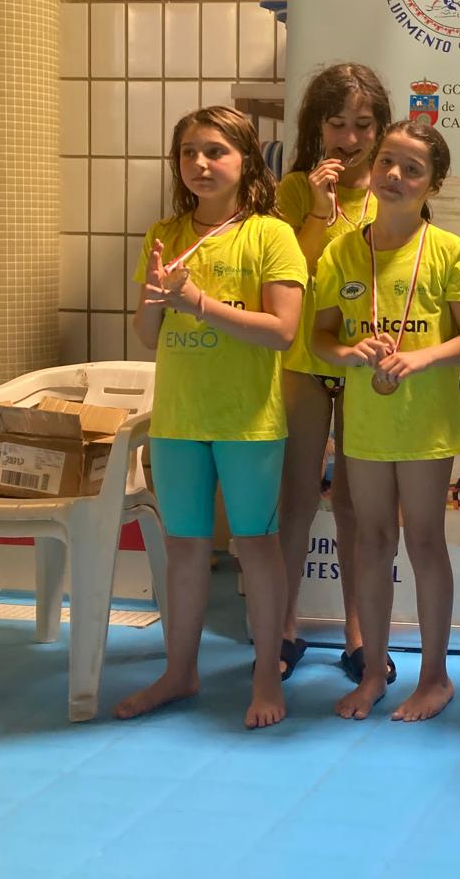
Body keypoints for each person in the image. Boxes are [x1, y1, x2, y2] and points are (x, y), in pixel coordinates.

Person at [115, 107, 305, 729]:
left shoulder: (270, 235)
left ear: (246, 160)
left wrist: (198, 301)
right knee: (185, 548)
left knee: (256, 546)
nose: (200, 163)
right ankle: (180, 671)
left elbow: (282, 332)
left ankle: (265, 674)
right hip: (178, 419)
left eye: (216, 151)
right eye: (189, 152)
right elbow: (149, 335)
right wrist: (158, 296)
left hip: (248, 421)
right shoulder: (165, 232)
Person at [311, 119, 460, 722]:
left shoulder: (447, 250)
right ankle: (373, 671)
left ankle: (435, 677)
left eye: (413, 169)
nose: (394, 175)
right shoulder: (342, 250)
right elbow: (321, 337)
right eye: (387, 161)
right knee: (372, 541)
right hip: (365, 422)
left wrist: (421, 357)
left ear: (432, 185)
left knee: (425, 540)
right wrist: (349, 352)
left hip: (425, 421)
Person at [274, 62, 392, 685]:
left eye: (363, 125)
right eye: (337, 124)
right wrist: (319, 210)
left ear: (381, 128)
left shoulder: (393, 188)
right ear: (315, 127)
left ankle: (358, 632)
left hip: (365, 360)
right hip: (303, 359)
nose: (349, 138)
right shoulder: (294, 190)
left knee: (354, 502)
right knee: (296, 496)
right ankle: (284, 624)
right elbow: (290, 274)